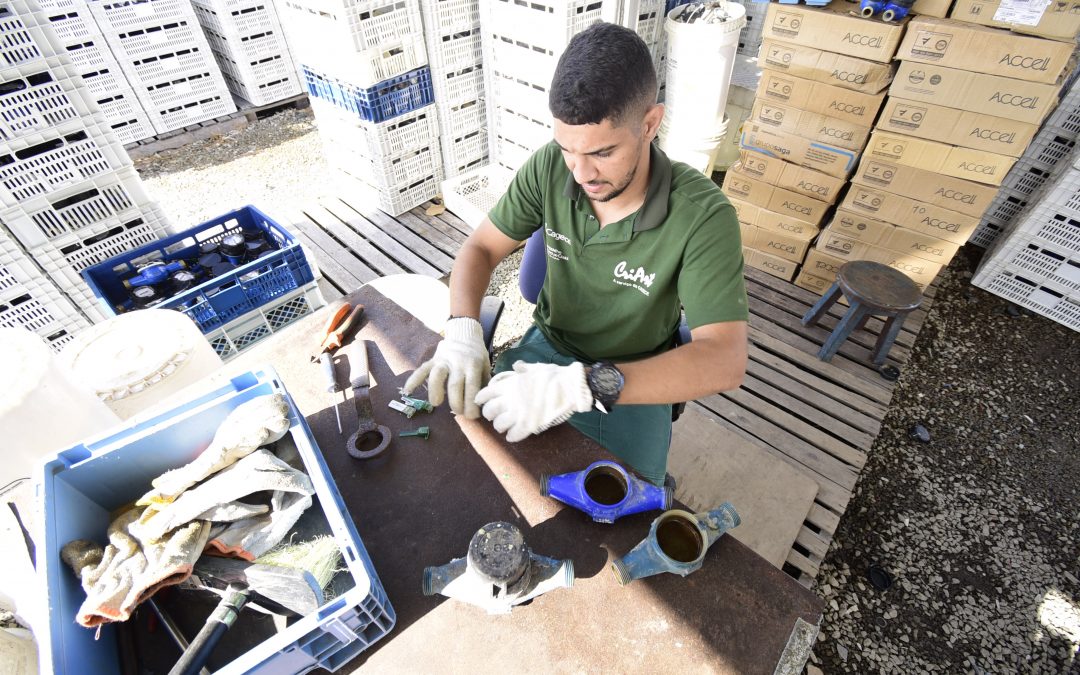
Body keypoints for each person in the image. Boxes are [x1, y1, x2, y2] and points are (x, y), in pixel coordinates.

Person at [403, 22, 748, 486]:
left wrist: (585, 384)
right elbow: (482, 247)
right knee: (471, 470)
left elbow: (724, 359)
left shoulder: (702, 217)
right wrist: (463, 331)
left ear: (649, 124)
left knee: (623, 506)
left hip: (634, 376)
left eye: (603, 152)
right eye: (568, 149)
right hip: (546, 350)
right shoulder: (550, 165)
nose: (582, 173)